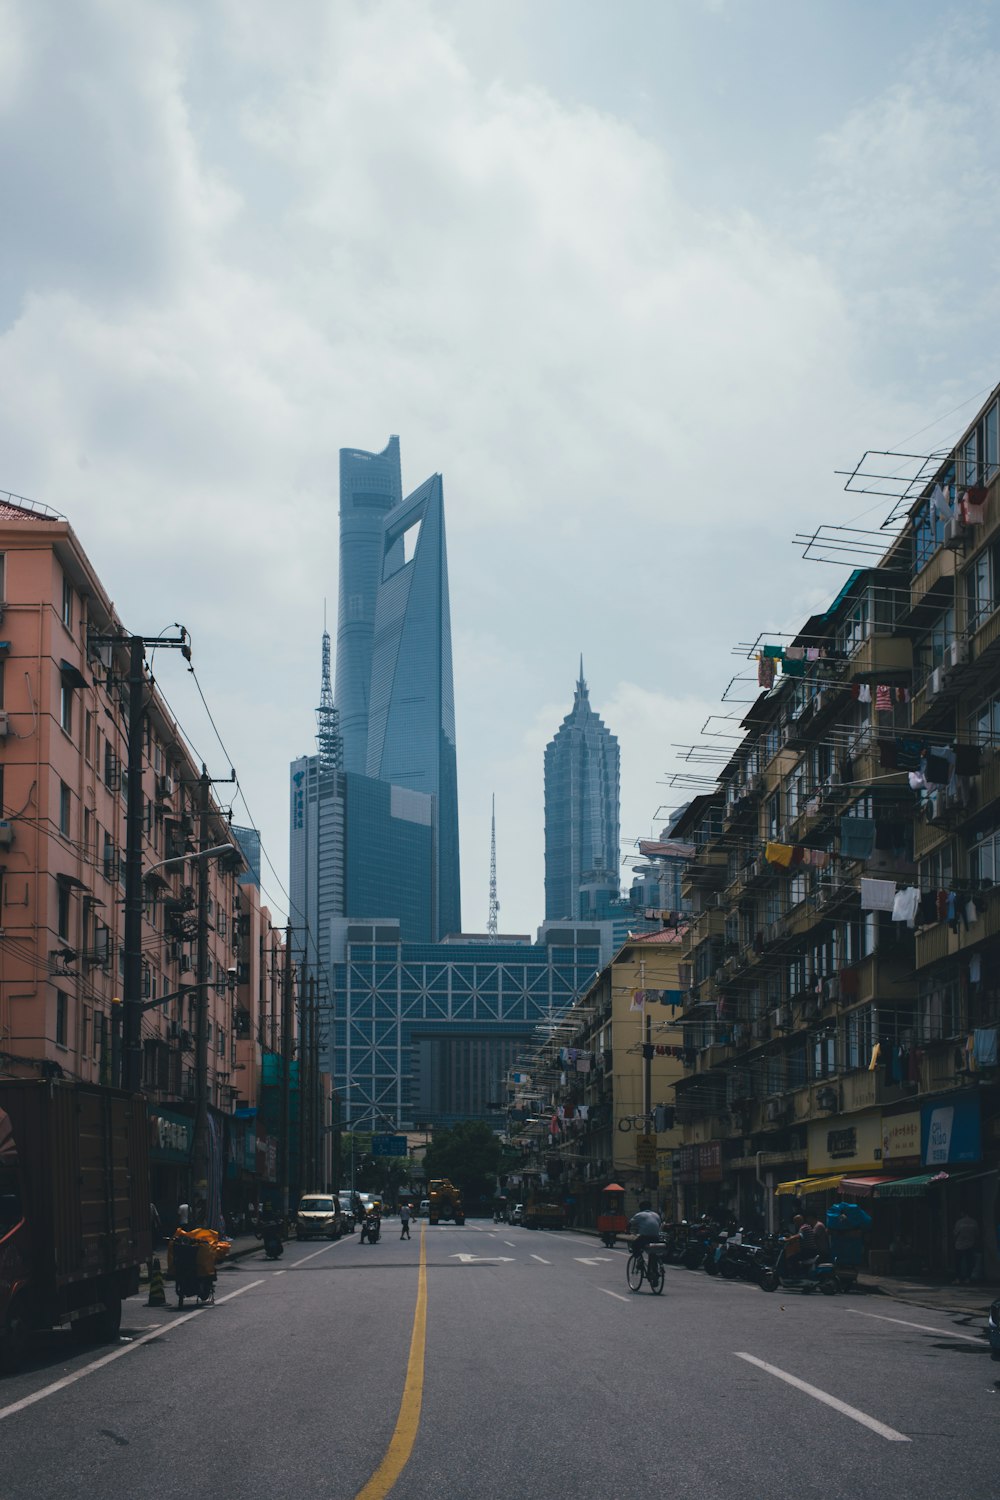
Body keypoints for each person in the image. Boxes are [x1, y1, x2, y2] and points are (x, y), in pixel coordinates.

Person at [628, 1200, 663, 1270]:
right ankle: (654, 1271)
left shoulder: (639, 1215)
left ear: (640, 1208)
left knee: (634, 1246)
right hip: (656, 1238)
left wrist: (627, 1232)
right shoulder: (656, 1215)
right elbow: (659, 1225)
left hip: (645, 1238)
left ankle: (639, 1259)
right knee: (653, 1253)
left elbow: (629, 1224)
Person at [954, 1209, 979, 1283]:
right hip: (971, 1244)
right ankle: (968, 1278)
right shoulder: (974, 1222)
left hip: (959, 1245)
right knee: (969, 1262)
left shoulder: (959, 1222)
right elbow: (977, 1234)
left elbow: (955, 1233)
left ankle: (958, 1278)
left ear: (963, 1213)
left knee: (958, 1262)